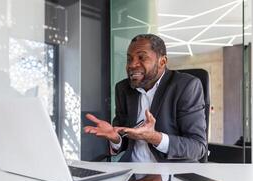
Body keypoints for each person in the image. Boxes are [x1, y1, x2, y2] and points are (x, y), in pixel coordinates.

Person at [84, 34, 207, 162]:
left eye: (141, 57)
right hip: (131, 171)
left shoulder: (186, 86)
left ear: (162, 62)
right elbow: (125, 140)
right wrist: (116, 138)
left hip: (169, 172)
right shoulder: (123, 89)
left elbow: (198, 147)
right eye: (129, 59)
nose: (132, 65)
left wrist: (155, 137)